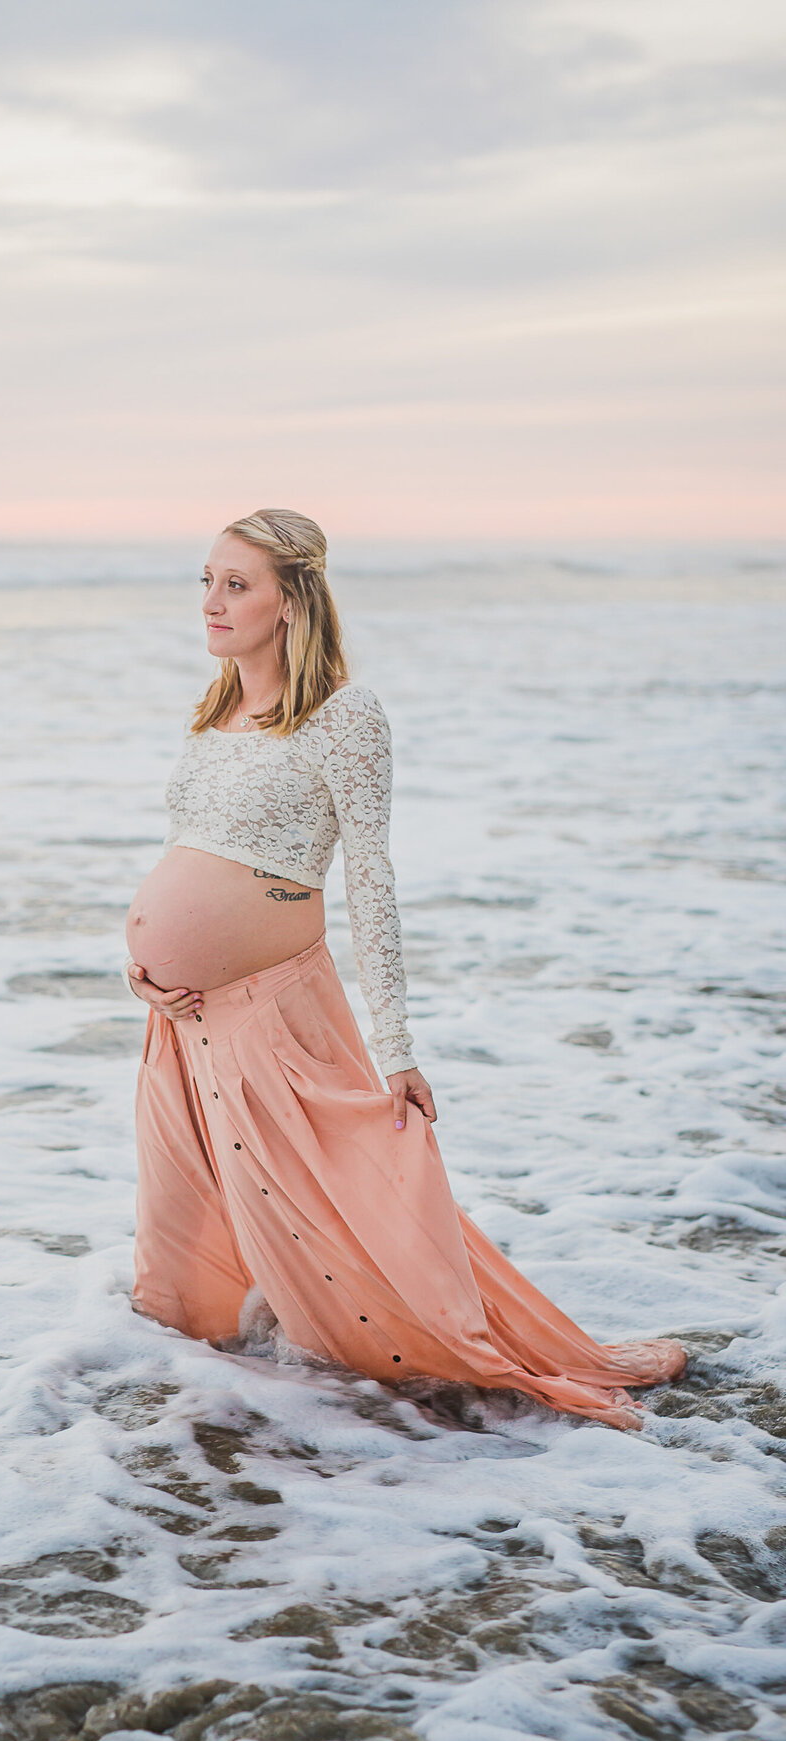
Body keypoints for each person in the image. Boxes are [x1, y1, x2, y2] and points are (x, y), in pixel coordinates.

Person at [123, 508, 686, 1431]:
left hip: (269, 1012)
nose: (212, 603)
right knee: (187, 1281)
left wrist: (396, 1046)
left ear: (293, 600)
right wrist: (142, 969)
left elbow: (370, 877)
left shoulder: (344, 715)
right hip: (181, 1021)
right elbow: (194, 852)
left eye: (237, 584)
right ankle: (201, 1424)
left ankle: (363, 1427)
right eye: (208, 581)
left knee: (338, 1226)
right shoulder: (214, 706)